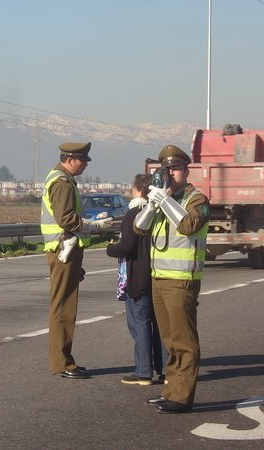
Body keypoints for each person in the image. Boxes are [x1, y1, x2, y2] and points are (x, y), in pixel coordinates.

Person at [134, 144, 210, 414]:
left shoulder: (197, 200)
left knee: (183, 340)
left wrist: (165, 202)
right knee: (169, 340)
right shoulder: (162, 200)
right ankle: (171, 390)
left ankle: (182, 397)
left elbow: (188, 225)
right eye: (166, 169)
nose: (171, 174)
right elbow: (139, 228)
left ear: (187, 171)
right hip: (159, 279)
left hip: (181, 280)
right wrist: (153, 204)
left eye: (176, 169)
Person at [41, 142, 112, 379]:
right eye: (82, 161)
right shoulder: (62, 182)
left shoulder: (61, 179)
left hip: (64, 249)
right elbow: (67, 220)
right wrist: (95, 226)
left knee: (63, 306)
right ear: (70, 160)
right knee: (64, 308)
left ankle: (63, 360)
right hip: (64, 249)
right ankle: (63, 363)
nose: (85, 165)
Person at [106, 174, 166, 386]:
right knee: (161, 325)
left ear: (138, 189)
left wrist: (111, 248)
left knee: (140, 323)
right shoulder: (160, 212)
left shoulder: (134, 214)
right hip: (159, 275)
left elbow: (127, 246)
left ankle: (143, 372)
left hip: (137, 276)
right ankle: (166, 371)